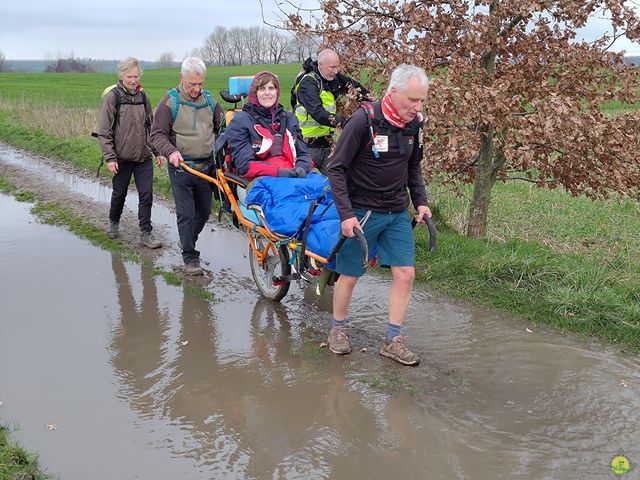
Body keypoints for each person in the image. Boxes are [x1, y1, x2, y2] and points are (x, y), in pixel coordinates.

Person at [326, 64, 432, 366]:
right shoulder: (364, 121)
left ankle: (393, 340)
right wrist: (346, 215)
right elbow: (336, 169)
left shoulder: (415, 124)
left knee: (406, 274)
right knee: (350, 274)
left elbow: (414, 167)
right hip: (363, 211)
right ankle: (338, 328)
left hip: (397, 211)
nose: (418, 107)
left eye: (422, 100)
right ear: (393, 92)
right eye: (413, 100)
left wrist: (421, 202)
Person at [151, 57, 224, 276]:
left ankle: (187, 241)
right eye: (192, 84)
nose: (196, 88)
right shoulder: (170, 101)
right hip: (181, 167)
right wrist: (170, 151)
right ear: (181, 78)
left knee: (203, 212)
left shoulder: (211, 102)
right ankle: (190, 257)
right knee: (186, 213)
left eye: (200, 84)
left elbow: (223, 130)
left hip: (205, 169)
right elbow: (157, 134)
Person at [98, 57, 163, 248]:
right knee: (119, 193)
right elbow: (104, 132)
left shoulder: (143, 97)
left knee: (146, 194)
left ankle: (146, 233)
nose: (133, 80)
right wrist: (110, 157)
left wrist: (158, 151)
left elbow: (151, 127)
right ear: (122, 76)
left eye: (136, 76)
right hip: (121, 158)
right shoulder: (113, 98)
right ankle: (113, 222)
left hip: (143, 157)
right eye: (129, 76)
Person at [292, 48, 371, 174]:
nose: (335, 71)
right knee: (305, 185)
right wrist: (346, 123)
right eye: (332, 67)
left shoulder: (333, 77)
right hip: (307, 146)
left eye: (337, 67)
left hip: (327, 144)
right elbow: (318, 113)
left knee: (333, 183)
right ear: (320, 65)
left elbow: (356, 89)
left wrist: (374, 104)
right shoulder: (308, 82)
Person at [224, 71, 312, 180]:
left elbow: (303, 154)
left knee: (324, 189)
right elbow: (245, 166)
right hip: (259, 180)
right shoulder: (240, 121)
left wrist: (302, 168)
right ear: (254, 93)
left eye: (271, 88)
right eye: (262, 89)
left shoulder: (289, 118)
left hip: (293, 175)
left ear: (277, 91)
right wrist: (279, 173)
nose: (267, 93)